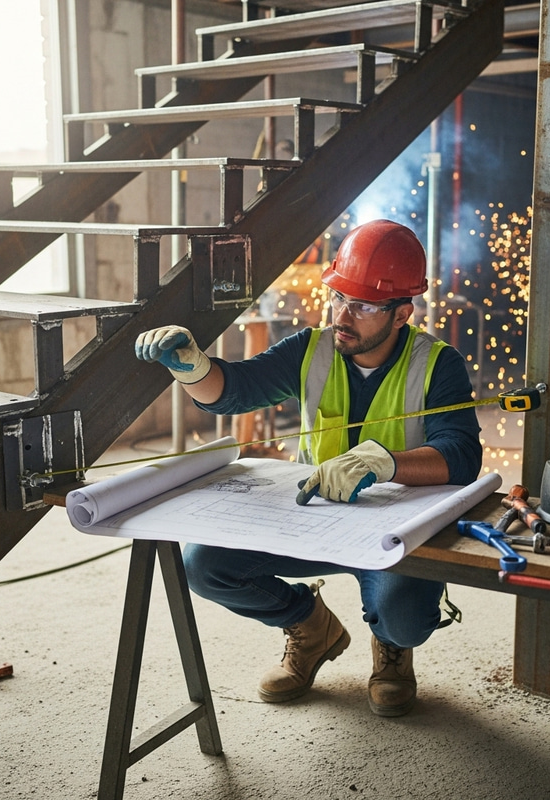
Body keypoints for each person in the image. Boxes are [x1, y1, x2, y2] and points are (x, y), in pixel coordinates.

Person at [134, 219, 482, 717]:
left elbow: (463, 455)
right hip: (314, 515)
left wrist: (387, 463)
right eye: (338, 297)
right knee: (204, 565)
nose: (343, 314)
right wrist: (192, 367)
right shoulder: (311, 348)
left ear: (402, 312)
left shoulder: (438, 364)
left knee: (406, 618)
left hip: (396, 527)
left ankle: (392, 649)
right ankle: (310, 626)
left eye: (362, 305)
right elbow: (235, 390)